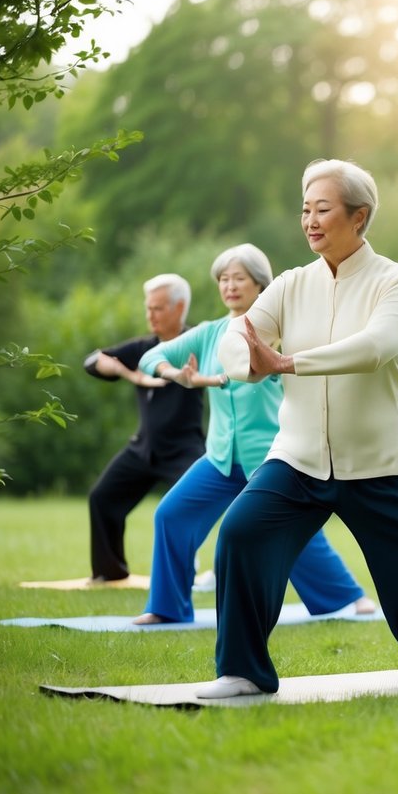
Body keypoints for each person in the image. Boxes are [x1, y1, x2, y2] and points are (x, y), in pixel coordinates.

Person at [196, 159, 398, 699]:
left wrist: (287, 363)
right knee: (240, 535)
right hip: (298, 458)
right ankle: (242, 671)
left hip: (379, 457)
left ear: (359, 216)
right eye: (305, 209)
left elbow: (377, 347)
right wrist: (251, 361)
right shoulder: (290, 284)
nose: (309, 220)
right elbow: (239, 335)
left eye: (321, 209)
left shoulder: (394, 281)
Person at [133, 243, 377, 625]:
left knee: (291, 528)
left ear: (260, 284)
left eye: (239, 278)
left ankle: (346, 596)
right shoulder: (209, 333)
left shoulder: (279, 331)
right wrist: (175, 373)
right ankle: (167, 608)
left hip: (270, 456)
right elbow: (150, 357)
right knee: (171, 514)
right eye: (223, 279)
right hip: (219, 457)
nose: (229, 286)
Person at [81, 274, 205, 584]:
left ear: (179, 308)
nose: (150, 314)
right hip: (143, 449)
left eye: (158, 308)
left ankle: (190, 570)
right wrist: (127, 372)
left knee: (181, 511)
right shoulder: (142, 348)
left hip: (185, 451)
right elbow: (92, 361)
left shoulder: (198, 343)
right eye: (148, 308)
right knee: (102, 498)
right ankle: (109, 574)